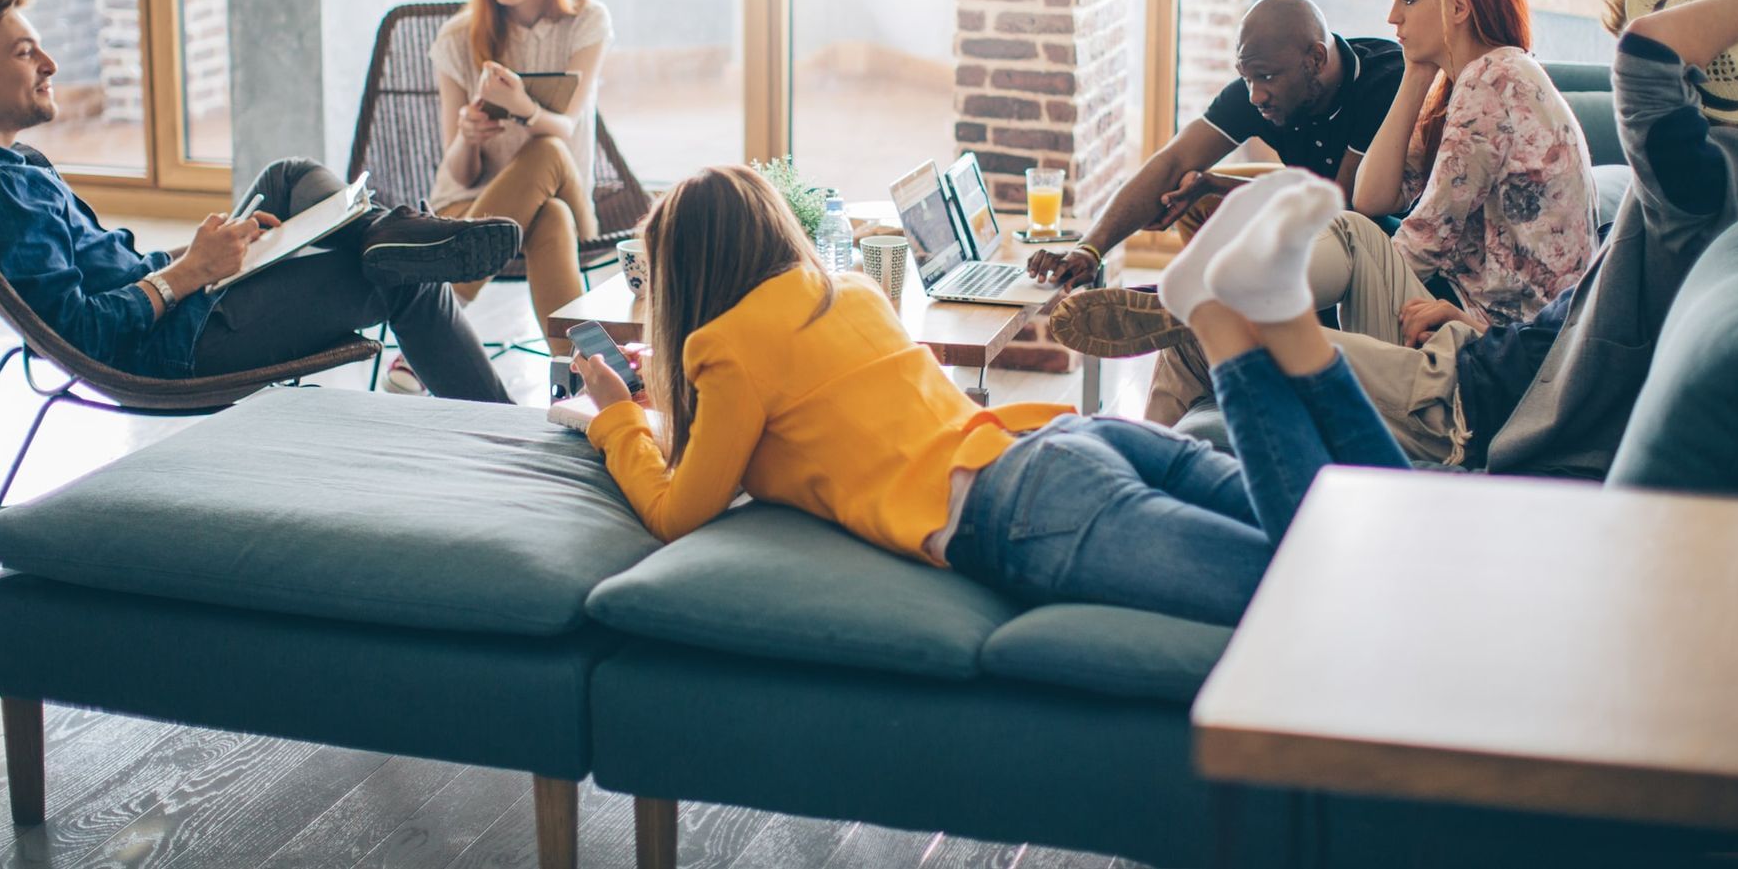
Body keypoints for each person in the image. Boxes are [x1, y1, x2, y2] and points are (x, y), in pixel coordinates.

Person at [564, 163, 1427, 627]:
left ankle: (1228, 322)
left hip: (1023, 508)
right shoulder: (850, 291)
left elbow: (681, 510)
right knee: (1352, 538)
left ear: (685, 277)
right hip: (1065, 442)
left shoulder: (723, 347)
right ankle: (1270, 317)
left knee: (1313, 588)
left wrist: (612, 413)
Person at [0, 0, 519, 402]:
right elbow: (84, 334)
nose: (49, 62)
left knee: (288, 175)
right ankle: (509, 440)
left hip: (187, 305)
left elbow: (107, 274)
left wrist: (198, 259)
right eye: (24, 52)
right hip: (175, 345)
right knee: (400, 276)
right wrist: (190, 272)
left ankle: (394, 233)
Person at [1308, 0, 1738, 474]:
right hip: (1481, 353)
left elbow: (1645, 55)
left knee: (1256, 338)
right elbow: (1581, 322)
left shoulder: (1693, 189)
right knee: (1353, 235)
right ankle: (1241, 292)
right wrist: (1477, 329)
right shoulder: (1735, 174)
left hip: (1464, 404)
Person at [1139, 0, 1600, 426]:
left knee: (1350, 238)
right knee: (1355, 227)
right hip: (1485, 334)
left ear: (1458, 5)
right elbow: (1375, 198)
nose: (1391, 19)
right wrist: (1417, 73)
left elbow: (1422, 243)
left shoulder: (1492, 84)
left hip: (1498, 357)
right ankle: (1230, 297)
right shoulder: (1480, 77)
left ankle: (1228, 298)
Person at [1026, 0, 1404, 362]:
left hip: (1377, 237)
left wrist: (1229, 185)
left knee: (1283, 210)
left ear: (1316, 57)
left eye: (1266, 77)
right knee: (1196, 187)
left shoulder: (1383, 81)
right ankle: (1192, 306)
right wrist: (1090, 248)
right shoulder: (1262, 85)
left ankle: (1196, 300)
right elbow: (1173, 162)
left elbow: (1339, 204)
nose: (1256, 96)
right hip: (1314, 206)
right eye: (1246, 78)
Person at [395, 0, 613, 392]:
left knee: (548, 150)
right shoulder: (457, 38)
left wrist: (521, 107)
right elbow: (459, 174)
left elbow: (567, 125)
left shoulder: (586, 22)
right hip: (465, 211)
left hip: (567, 192)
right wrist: (468, 138)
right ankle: (581, 378)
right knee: (547, 216)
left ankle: (436, 319)